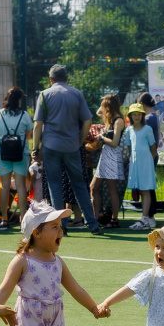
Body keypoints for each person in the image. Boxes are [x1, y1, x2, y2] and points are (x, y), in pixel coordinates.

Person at [32, 65, 101, 235]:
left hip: (50, 145)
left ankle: (60, 225)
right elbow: (88, 121)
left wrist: (35, 148)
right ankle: (92, 224)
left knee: (55, 185)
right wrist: (79, 141)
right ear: (67, 78)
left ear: (50, 79)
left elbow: (37, 125)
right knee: (79, 185)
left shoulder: (44, 95)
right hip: (71, 146)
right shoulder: (77, 94)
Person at [0, 87, 34, 223]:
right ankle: (23, 217)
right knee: (21, 185)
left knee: (4, 185)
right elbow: (28, 135)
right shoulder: (24, 115)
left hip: (3, 154)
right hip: (21, 153)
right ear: (19, 100)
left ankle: (4, 217)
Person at [89, 94, 125, 228]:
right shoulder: (108, 119)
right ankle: (96, 217)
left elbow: (115, 142)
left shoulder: (118, 121)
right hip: (105, 156)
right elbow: (98, 111)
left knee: (111, 189)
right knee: (93, 188)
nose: (102, 108)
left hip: (112, 157)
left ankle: (114, 219)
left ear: (110, 106)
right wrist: (106, 98)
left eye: (105, 105)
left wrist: (101, 138)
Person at [124, 103, 159, 231]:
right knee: (140, 189)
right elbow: (129, 146)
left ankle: (145, 218)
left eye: (139, 114)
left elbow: (153, 147)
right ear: (130, 116)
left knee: (145, 190)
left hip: (146, 163)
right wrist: (131, 160)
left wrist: (150, 161)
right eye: (134, 114)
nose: (137, 116)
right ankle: (146, 219)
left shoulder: (147, 129)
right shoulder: (129, 129)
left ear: (142, 116)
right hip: (135, 163)